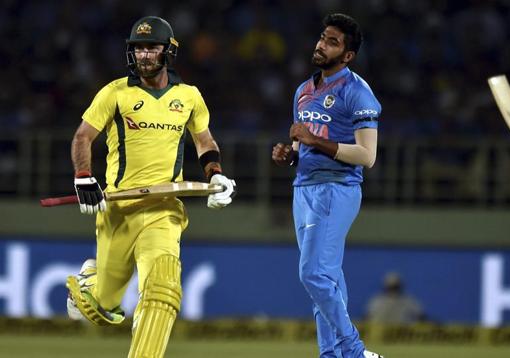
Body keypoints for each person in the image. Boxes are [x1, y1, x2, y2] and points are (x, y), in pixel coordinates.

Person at [65, 16, 235, 358]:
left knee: (163, 290)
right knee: (103, 309)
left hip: (164, 208)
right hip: (118, 211)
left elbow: (204, 140)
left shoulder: (188, 96)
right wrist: (84, 176)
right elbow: (84, 136)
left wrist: (215, 173)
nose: (143, 56)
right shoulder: (115, 92)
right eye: (138, 49)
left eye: (151, 48)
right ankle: (91, 283)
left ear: (168, 51)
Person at [272, 13, 382, 358]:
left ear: (347, 56)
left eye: (332, 42)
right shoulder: (304, 91)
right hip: (303, 189)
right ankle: (332, 355)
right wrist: (290, 156)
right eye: (322, 37)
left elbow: (367, 156)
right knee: (327, 280)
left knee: (312, 274)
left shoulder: (357, 92)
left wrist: (313, 142)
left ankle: (355, 349)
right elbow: (304, 146)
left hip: (337, 189)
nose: (321, 45)